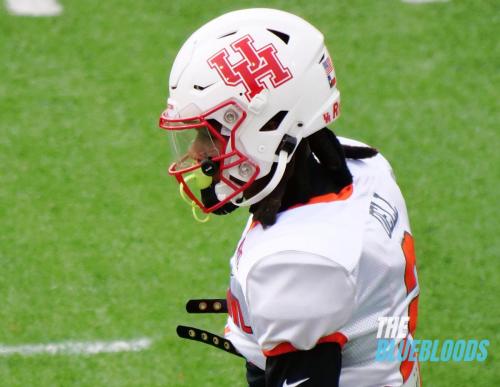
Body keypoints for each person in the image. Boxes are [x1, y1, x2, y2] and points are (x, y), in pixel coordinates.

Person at [159, 8, 421, 387]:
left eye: (210, 134)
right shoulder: (362, 166)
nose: (199, 152)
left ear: (266, 126)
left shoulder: (297, 265)